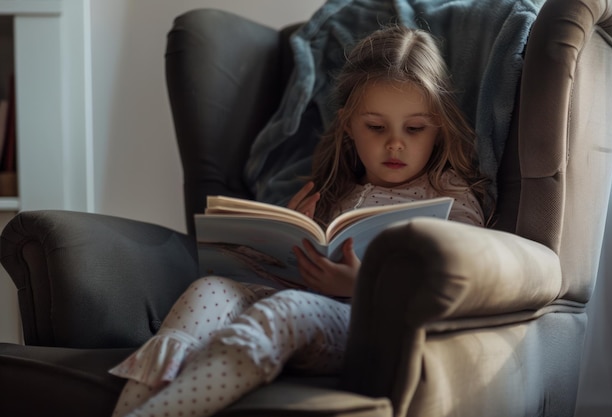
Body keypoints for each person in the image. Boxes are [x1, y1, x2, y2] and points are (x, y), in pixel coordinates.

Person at [109, 25, 488, 417]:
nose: (395, 143)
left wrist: (365, 285)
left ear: (438, 126)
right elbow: (280, 275)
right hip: (299, 300)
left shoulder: (449, 195)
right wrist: (287, 239)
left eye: (414, 128)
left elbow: (466, 280)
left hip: (366, 324)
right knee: (209, 289)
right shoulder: (335, 190)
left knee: (286, 309)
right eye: (376, 127)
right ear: (348, 126)